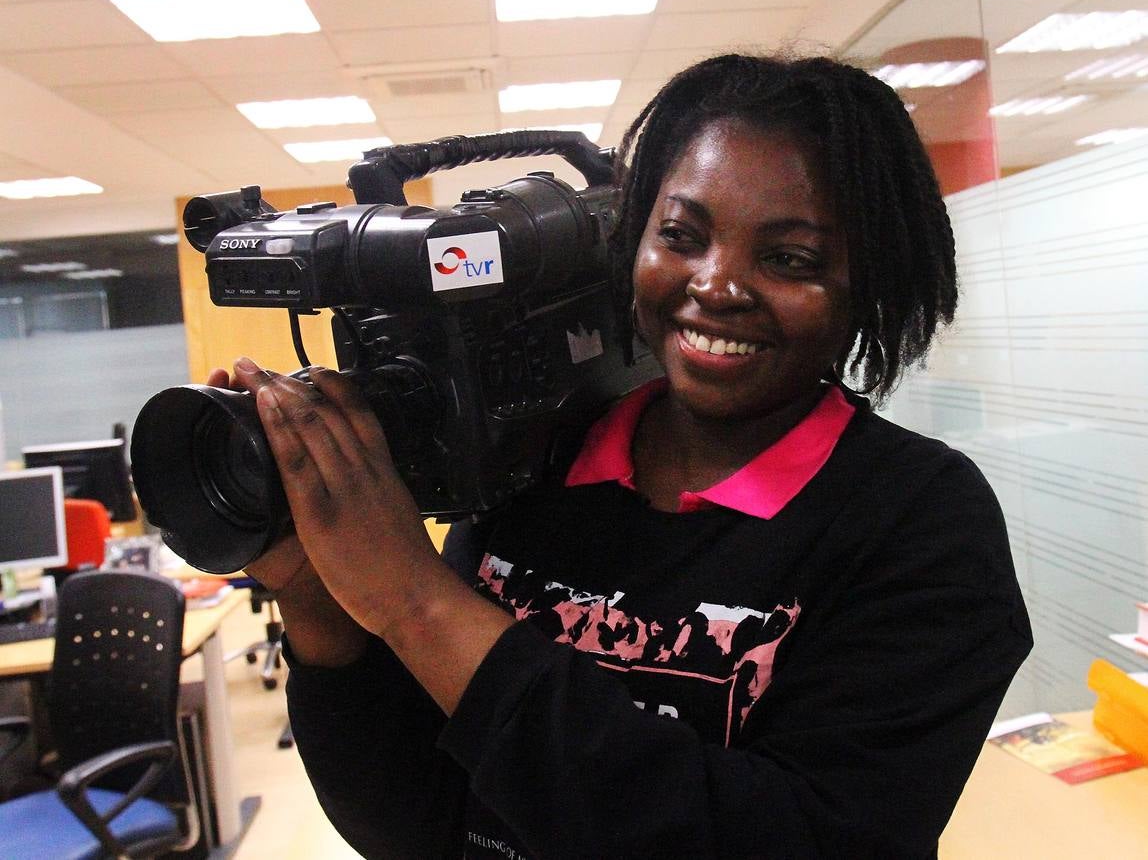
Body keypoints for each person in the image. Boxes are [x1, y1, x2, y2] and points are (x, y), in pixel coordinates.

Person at [214, 53, 1032, 859]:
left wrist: (419, 602)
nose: (716, 284)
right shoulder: (536, 466)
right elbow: (423, 825)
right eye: (681, 234)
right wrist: (318, 600)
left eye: (789, 258)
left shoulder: (921, 522)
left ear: (871, 287)